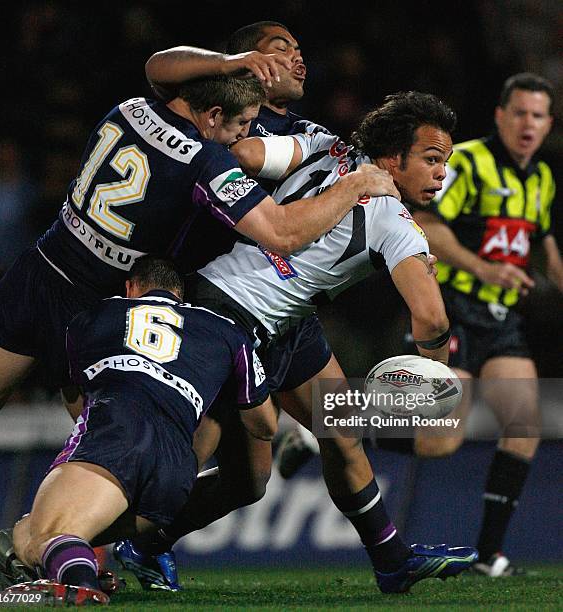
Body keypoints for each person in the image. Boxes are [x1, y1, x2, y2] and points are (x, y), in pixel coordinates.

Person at [117, 91, 479, 594]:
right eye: (432, 159)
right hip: (233, 320)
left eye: (446, 162)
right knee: (217, 466)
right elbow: (432, 317)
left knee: (335, 434)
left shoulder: (323, 144)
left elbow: (245, 154)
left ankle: (393, 559)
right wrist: (433, 369)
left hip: (274, 313)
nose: (442, 174)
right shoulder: (394, 221)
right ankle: (72, 539)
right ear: (393, 160)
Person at [0, 69, 391, 425]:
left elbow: (158, 65)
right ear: (214, 114)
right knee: (120, 458)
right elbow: (283, 233)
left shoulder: (130, 106)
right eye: (242, 124)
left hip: (43, 269)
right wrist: (354, 185)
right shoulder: (206, 158)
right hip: (104, 309)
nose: (244, 135)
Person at [1, 255, 275, 605]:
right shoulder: (226, 331)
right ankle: (73, 564)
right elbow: (264, 425)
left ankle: (82, 586)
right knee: (29, 533)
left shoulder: (95, 315)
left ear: (130, 288)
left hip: (117, 435)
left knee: (47, 531)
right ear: (181, 296)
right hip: (177, 470)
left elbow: (73, 392)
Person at [408, 73, 562, 577]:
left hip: (501, 320)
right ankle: (335, 427)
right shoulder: (467, 161)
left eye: (538, 115)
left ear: (548, 124)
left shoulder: (540, 178)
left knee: (525, 425)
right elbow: (426, 224)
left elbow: (547, 250)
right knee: (440, 441)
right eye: (519, 112)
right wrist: (483, 268)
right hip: (451, 308)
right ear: (500, 115)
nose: (528, 123)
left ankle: (489, 555)